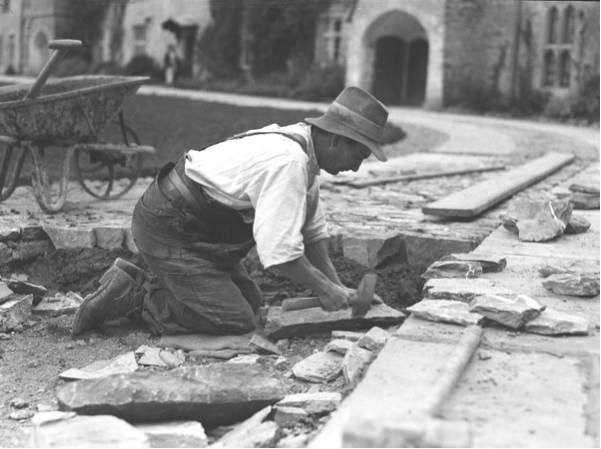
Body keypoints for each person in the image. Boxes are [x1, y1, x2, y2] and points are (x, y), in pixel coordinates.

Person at [72, 86, 389, 337]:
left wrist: (337, 287)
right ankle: (132, 297)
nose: (355, 168)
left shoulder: (306, 159)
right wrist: (324, 289)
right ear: (335, 139)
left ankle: (161, 283)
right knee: (236, 320)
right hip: (170, 227)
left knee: (252, 304)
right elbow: (280, 253)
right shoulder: (289, 162)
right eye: (358, 155)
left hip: (197, 230)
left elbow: (312, 234)